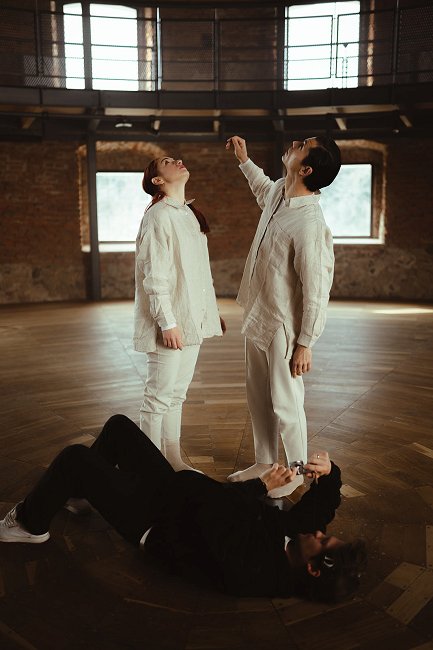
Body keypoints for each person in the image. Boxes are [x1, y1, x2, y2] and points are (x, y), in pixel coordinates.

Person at [0, 415, 366, 602]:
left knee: (75, 458)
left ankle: (30, 525)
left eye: (323, 542)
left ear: (313, 569)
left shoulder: (254, 572)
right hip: (174, 495)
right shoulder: (299, 544)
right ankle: (82, 493)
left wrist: (260, 487)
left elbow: (209, 513)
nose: (320, 533)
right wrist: (329, 472)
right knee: (119, 428)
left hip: (154, 522)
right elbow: (319, 511)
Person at [225, 135, 341, 497]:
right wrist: (245, 160)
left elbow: (316, 290)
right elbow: (263, 189)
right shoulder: (279, 191)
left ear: (305, 169)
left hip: (284, 326)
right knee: (258, 396)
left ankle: (294, 472)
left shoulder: (310, 224)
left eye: (302, 145)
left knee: (286, 402)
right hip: (258, 311)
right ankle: (265, 463)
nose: (293, 142)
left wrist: (306, 343)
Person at [134, 156, 224, 471]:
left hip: (190, 320)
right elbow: (154, 275)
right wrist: (167, 322)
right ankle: (148, 471)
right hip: (169, 323)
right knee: (157, 398)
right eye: (168, 162)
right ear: (157, 180)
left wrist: (208, 312)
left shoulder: (187, 213)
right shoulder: (158, 216)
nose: (178, 161)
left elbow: (197, 273)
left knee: (176, 396)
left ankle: (172, 461)